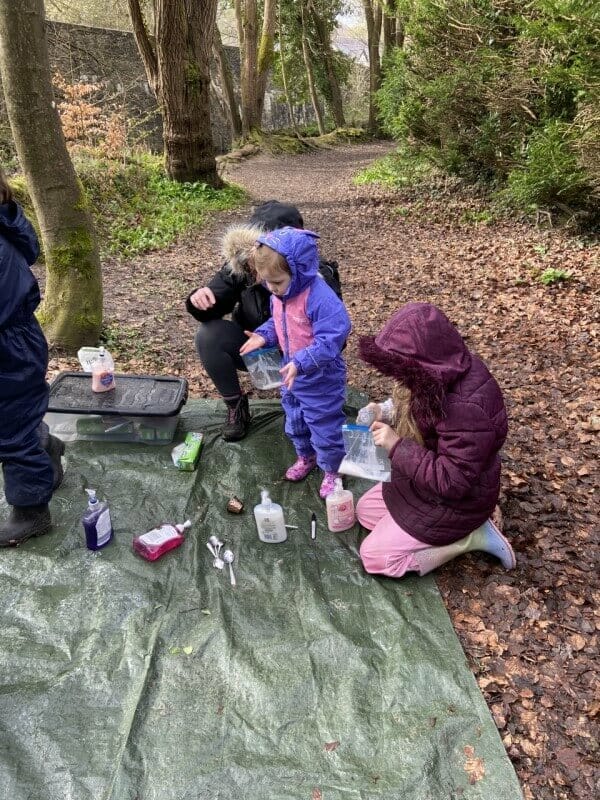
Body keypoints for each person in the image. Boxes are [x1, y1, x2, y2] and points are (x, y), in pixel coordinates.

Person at [355, 302, 515, 577]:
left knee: (375, 558)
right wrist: (385, 410)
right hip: (426, 486)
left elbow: (452, 480)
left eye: (402, 371)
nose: (400, 379)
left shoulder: (466, 408)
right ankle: (445, 532)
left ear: (421, 364)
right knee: (365, 512)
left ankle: (472, 537)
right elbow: (419, 406)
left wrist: (396, 445)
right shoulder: (441, 371)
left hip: (458, 501)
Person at [240, 226, 351, 498]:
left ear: (299, 270)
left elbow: (333, 336)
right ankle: (306, 456)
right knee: (295, 419)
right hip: (290, 374)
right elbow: (279, 323)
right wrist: (263, 337)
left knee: (324, 426)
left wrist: (301, 362)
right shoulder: (281, 294)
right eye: (267, 282)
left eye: (277, 282)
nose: (272, 289)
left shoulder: (319, 297)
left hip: (320, 377)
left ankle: (332, 470)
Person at [186, 201, 305, 442]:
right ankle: (236, 407)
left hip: (301, 355)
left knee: (307, 419)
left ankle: (305, 409)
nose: (260, 260)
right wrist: (199, 300)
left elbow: (334, 334)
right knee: (208, 335)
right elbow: (215, 300)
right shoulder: (243, 266)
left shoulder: (316, 274)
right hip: (254, 350)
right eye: (257, 249)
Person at [0, 169, 64, 547]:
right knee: (16, 423)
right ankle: (46, 445)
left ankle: (31, 511)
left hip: (11, 351)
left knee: (9, 432)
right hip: (13, 343)